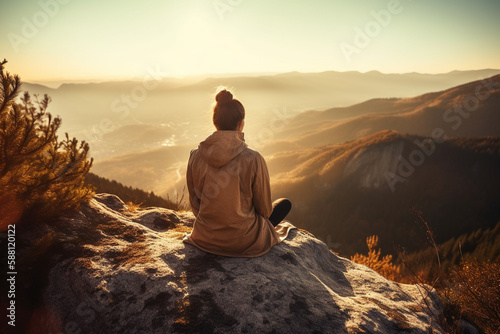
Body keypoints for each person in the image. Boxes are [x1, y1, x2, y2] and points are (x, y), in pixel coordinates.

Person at [184, 89, 294, 257]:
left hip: (204, 237)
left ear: (215, 122)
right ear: (241, 123)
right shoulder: (254, 159)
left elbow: (195, 204)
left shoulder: (195, 155)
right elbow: (264, 211)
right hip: (243, 242)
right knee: (284, 204)